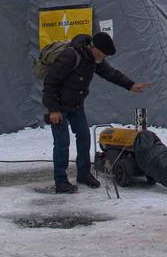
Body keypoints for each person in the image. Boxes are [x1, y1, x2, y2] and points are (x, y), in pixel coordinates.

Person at [43, 32, 150, 193]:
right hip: (58, 107)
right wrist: (53, 110)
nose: (104, 57)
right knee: (62, 143)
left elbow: (111, 74)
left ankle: (84, 174)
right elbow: (50, 82)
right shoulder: (70, 56)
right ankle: (61, 181)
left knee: (84, 137)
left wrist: (131, 85)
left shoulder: (94, 60)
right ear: (95, 48)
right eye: (104, 53)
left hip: (76, 105)